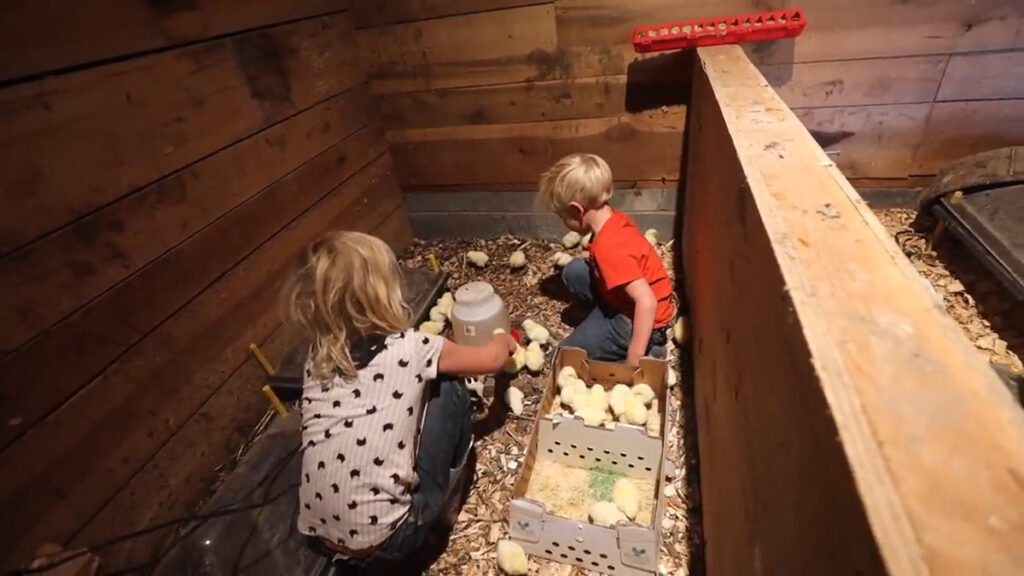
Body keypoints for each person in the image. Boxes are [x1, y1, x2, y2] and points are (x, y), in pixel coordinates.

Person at [281, 231, 518, 568]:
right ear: (383, 293)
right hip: (391, 540)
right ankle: (447, 489)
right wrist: (502, 337)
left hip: (319, 536)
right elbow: (491, 361)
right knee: (449, 386)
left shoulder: (317, 361)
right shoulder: (411, 347)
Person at [539, 153, 674, 364]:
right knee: (573, 272)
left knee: (565, 355)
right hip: (624, 296)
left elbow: (646, 302)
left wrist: (635, 356)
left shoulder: (609, 249)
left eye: (562, 216)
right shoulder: (612, 219)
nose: (562, 221)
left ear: (576, 210)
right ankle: (604, 319)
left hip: (636, 318)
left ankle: (649, 349)